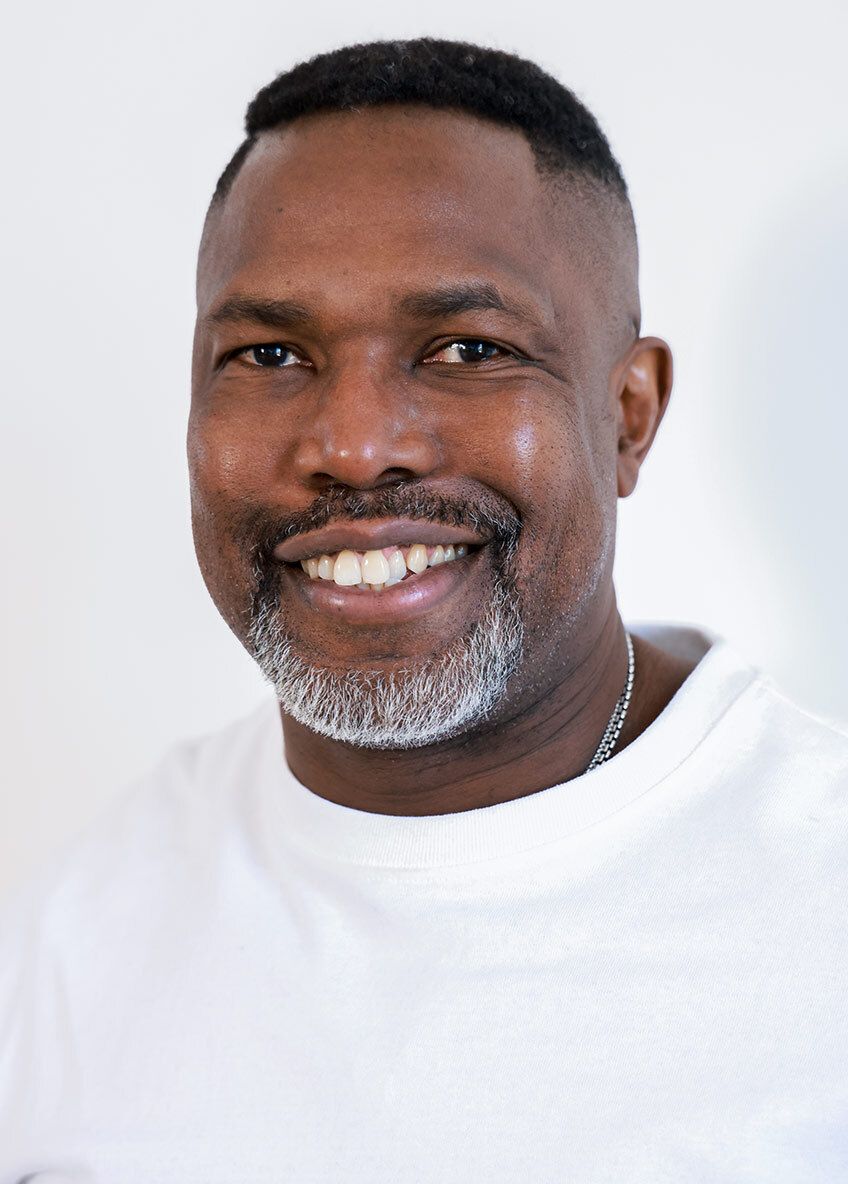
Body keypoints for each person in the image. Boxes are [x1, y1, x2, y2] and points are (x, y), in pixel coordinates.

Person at [1, 38, 846, 1183]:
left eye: (466, 348)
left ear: (627, 412)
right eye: (268, 353)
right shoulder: (68, 944)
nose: (354, 446)